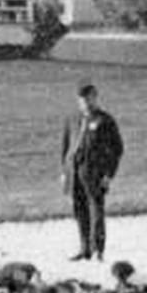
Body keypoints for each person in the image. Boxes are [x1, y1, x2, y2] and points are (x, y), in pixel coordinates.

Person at [61, 82, 123, 261]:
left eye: (89, 99)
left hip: (94, 172)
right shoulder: (72, 119)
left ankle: (98, 250)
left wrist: (108, 174)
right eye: (82, 100)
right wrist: (64, 172)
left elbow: (117, 149)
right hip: (74, 171)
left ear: (95, 98)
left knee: (96, 210)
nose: (86, 103)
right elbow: (65, 147)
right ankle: (84, 248)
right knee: (79, 209)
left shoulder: (105, 121)